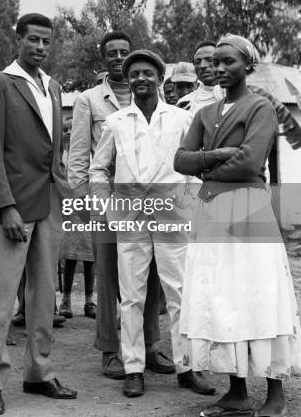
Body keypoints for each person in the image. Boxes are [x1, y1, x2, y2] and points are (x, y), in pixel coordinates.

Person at [174, 34, 301, 417]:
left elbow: (249, 163)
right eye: (215, 62)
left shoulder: (259, 108)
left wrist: (207, 167)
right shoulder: (203, 115)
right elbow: (180, 161)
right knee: (222, 297)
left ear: (247, 65)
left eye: (228, 61)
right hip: (211, 211)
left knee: (257, 294)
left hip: (248, 210)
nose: (219, 68)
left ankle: (275, 393)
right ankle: (237, 392)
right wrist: (216, 155)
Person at [89, 50, 215, 398]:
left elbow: (194, 167)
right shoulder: (116, 122)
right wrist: (108, 206)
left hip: (173, 217)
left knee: (179, 294)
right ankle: (133, 369)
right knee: (132, 296)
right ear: (128, 81)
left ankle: (188, 368)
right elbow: (97, 170)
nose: (140, 79)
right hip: (130, 219)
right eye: (134, 74)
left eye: (148, 73)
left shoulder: (180, 119)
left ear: (160, 80)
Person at [0, 13, 76, 416]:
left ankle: (39, 373)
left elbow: (55, 154)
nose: (39, 47)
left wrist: (66, 196)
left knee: (43, 294)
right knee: (1, 297)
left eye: (46, 42)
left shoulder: (52, 87)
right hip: (15, 207)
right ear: (17, 40)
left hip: (49, 202)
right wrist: (5, 207)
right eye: (32, 40)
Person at [68, 31, 169, 380]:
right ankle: (111, 349)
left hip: (153, 203)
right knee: (111, 278)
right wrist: (89, 204)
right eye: (111, 53)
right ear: (104, 59)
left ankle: (150, 345)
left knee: (151, 275)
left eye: (123, 51)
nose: (117, 57)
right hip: (110, 201)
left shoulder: (153, 94)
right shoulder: (89, 100)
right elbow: (81, 157)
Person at [59, 116, 96, 319]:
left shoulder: (90, 155)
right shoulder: (61, 154)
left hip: (90, 207)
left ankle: (90, 300)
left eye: (72, 128)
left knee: (90, 256)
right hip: (68, 208)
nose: (68, 132)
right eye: (65, 129)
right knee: (70, 255)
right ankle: (66, 299)